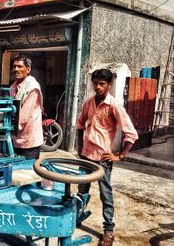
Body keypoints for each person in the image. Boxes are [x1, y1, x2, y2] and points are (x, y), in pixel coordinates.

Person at [76, 69, 138, 246]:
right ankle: (76, 218)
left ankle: (109, 230)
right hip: (86, 156)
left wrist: (119, 155)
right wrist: (80, 149)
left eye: (102, 83)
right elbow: (80, 124)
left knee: (105, 195)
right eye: (95, 83)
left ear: (109, 85)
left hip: (103, 159)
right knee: (81, 192)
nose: (98, 87)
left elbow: (131, 134)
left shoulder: (114, 106)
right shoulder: (89, 102)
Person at [10, 55, 43, 159]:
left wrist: (6, 129)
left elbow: (22, 118)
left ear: (28, 69)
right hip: (15, 138)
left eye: (20, 67)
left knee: (28, 172)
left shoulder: (32, 88)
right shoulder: (13, 87)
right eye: (14, 66)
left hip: (29, 141)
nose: (16, 69)